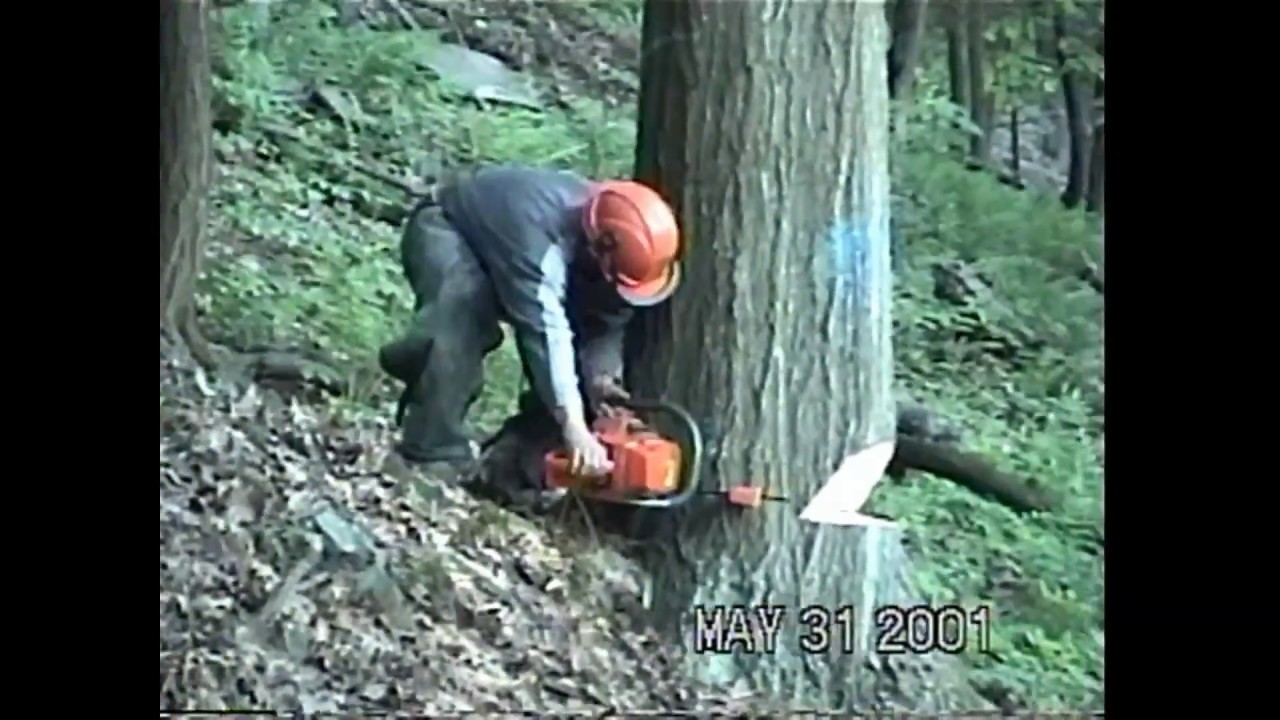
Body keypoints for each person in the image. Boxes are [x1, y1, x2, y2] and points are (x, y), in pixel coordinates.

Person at [378, 165, 683, 488]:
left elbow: (606, 323)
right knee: (461, 314)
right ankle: (430, 450)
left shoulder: (617, 249)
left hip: (537, 266)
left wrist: (602, 381)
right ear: (599, 245)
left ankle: (509, 468)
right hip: (450, 229)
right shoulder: (540, 235)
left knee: (580, 387)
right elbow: (545, 330)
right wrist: (574, 426)